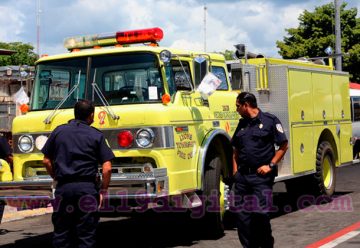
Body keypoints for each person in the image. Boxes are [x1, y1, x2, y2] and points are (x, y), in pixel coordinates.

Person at [42, 99, 114, 248]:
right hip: (87, 188)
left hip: (64, 188)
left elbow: (46, 161)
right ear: (91, 115)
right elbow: (107, 167)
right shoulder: (96, 135)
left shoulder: (59, 131)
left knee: (62, 232)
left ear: (75, 114)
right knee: (86, 234)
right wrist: (104, 189)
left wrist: (55, 177)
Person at [231, 92, 288, 248]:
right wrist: (235, 173)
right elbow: (235, 149)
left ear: (246, 105)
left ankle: (266, 245)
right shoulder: (242, 124)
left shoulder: (269, 121)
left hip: (261, 177)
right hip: (243, 177)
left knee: (260, 214)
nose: (236, 109)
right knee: (242, 217)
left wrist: (270, 165)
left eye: (238, 106)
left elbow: (283, 145)